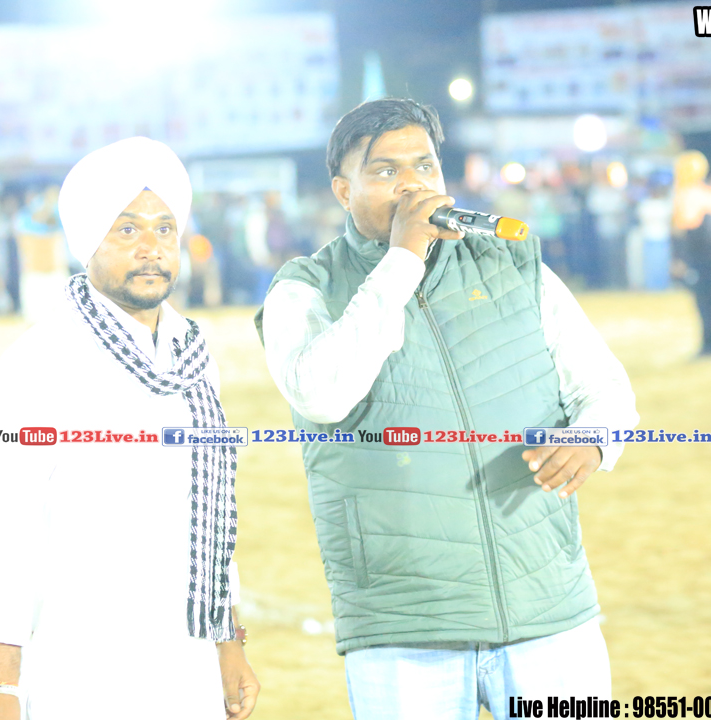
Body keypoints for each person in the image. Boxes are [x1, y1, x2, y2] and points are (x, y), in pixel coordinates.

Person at [254, 98, 639, 718]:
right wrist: (402, 259)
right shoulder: (305, 288)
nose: (412, 184)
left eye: (425, 166)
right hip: (405, 624)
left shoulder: (513, 264)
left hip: (547, 606)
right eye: (386, 171)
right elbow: (320, 394)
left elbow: (606, 388)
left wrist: (595, 438)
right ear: (343, 191)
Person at [0, 137, 259, 720]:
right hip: (82, 663)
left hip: (187, 662)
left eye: (165, 228)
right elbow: (2, 524)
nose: (151, 248)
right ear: (87, 240)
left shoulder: (193, 357)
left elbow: (208, 516)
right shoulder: (39, 363)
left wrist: (229, 646)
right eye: (126, 229)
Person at [671, 150, 711, 358]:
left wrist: (678, 259)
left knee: (702, 301)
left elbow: (681, 230)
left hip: (697, 256)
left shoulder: (686, 194)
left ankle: (708, 345)